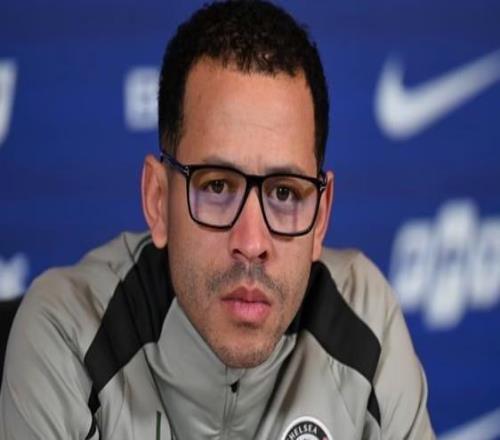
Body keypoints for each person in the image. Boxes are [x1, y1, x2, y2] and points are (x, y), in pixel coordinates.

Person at [0, 1, 435, 439]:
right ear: (158, 200)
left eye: (284, 193)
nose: (252, 242)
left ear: (321, 217)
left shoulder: (366, 322)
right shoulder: (69, 335)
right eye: (218, 187)